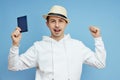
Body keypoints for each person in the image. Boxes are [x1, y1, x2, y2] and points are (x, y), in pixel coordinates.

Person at [8, 5, 106, 80]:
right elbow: (13, 66)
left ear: (66, 23)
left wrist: (98, 38)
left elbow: (100, 63)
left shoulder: (77, 46)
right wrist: (15, 45)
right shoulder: (38, 47)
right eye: (53, 21)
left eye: (61, 21)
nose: (57, 25)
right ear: (47, 24)